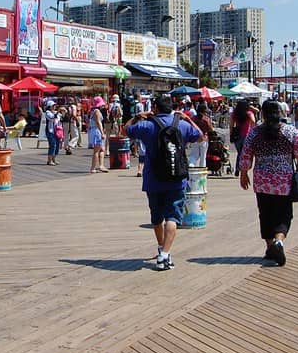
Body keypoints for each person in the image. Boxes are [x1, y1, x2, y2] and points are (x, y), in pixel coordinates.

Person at [125, 94, 203, 271]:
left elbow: (126, 130)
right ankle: (165, 254)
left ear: (156, 108)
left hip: (153, 179)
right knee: (173, 217)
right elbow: (200, 136)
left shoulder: (147, 125)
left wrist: (138, 116)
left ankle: (162, 248)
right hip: (176, 178)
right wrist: (188, 119)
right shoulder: (182, 125)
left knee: (156, 217)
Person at [238, 99, 298, 267]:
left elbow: (246, 154)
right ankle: (278, 242)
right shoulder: (289, 131)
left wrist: (243, 173)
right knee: (283, 214)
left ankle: (270, 248)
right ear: (280, 113)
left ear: (262, 114)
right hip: (283, 181)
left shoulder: (255, 133)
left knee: (265, 213)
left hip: (262, 180)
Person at [230, 99, 258, 167]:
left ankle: (238, 167)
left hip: (237, 135)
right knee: (243, 153)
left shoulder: (235, 113)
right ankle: (240, 167)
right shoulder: (248, 113)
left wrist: (231, 133)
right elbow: (254, 121)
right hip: (246, 135)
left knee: (239, 152)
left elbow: (231, 125)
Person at [187, 103, 215, 167]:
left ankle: (191, 165)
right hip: (204, 139)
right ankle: (202, 172)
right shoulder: (206, 119)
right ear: (204, 111)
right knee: (203, 157)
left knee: (194, 155)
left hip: (195, 138)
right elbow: (211, 129)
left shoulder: (193, 118)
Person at [88, 96, 108, 173]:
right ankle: (93, 168)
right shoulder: (97, 111)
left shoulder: (93, 111)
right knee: (97, 150)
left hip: (94, 130)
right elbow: (98, 122)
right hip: (97, 131)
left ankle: (101, 166)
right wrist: (102, 133)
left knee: (102, 149)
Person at [43, 98, 61, 165]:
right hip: (50, 131)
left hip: (57, 131)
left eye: (55, 105)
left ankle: (54, 159)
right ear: (49, 106)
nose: (54, 107)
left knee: (57, 145)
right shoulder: (47, 113)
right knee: (52, 145)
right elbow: (52, 118)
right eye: (53, 105)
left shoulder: (56, 112)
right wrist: (58, 112)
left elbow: (60, 118)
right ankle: (49, 160)